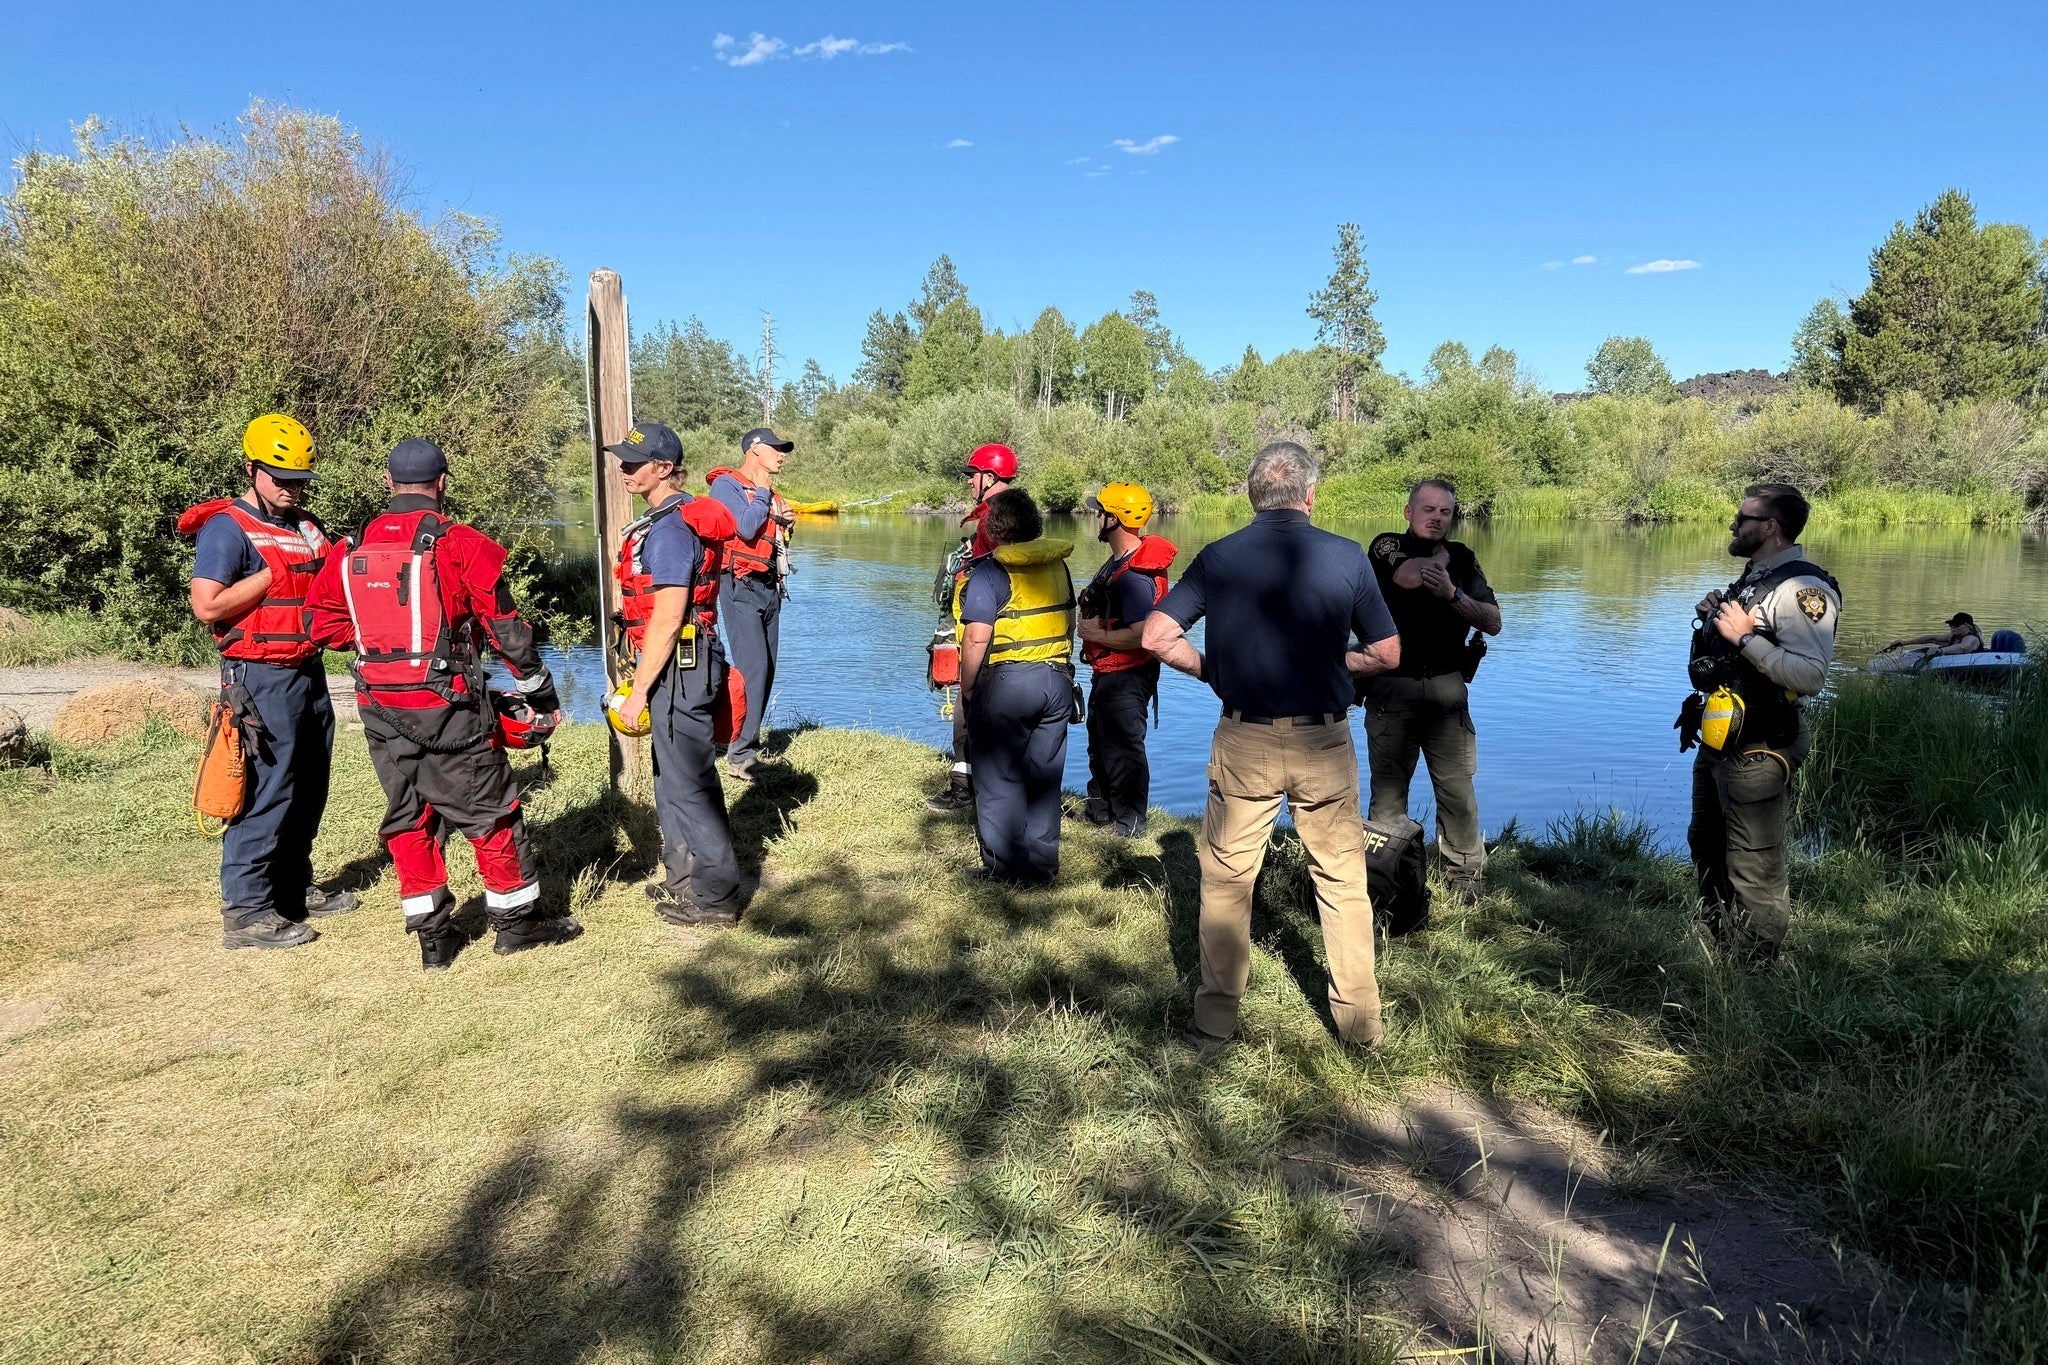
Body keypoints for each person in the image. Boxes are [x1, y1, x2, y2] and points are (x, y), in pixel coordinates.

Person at [1143, 442, 1402, 1052]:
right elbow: (1388, 653)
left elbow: (1156, 635)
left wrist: (1212, 669)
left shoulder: (1219, 557)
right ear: (1310, 495)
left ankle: (1214, 1025)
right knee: (1341, 881)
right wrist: (1329, 663)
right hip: (1324, 739)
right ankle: (1360, 1029)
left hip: (1245, 735)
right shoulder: (1346, 557)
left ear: (1252, 493)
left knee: (1228, 879)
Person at [307, 438, 576, 969]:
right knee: (490, 808)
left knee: (409, 814)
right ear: (442, 484)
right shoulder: (460, 542)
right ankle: (516, 924)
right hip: (447, 706)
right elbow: (504, 625)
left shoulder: (349, 546)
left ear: (388, 483)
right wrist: (536, 686)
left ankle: (433, 939)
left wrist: (384, 651)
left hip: (379, 707)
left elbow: (322, 624)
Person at [183, 413, 354, 951]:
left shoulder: (307, 528)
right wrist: (267, 578)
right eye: (280, 477)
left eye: (299, 479)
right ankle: (247, 911)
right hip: (257, 676)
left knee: (309, 782)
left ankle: (292, 887)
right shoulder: (227, 528)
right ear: (252, 468)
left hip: (307, 670)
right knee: (264, 787)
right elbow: (206, 605)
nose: (291, 488)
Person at [1680, 482, 1839, 963]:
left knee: (1754, 862)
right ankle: (1718, 943)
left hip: (1763, 744)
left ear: (1770, 527)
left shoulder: (1803, 589)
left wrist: (1745, 637)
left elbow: (1810, 675)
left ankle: (1760, 968)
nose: (1733, 525)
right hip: (1720, 737)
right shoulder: (1752, 580)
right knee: (1706, 845)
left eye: (1743, 518)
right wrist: (1713, 621)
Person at [607, 422, 746, 927]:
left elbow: (667, 617)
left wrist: (637, 692)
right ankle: (682, 878)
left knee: (690, 781)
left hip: (680, 665)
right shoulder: (666, 519)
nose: (623, 469)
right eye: (621, 460)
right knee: (672, 776)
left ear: (664, 469)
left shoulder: (668, 530)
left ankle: (716, 899)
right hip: (685, 660)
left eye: (633, 462)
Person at [1362, 479, 1503, 904]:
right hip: (1392, 687)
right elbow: (1407, 577)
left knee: (1458, 789)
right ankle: (1385, 878)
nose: (1437, 517)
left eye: (1445, 512)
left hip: (1447, 687)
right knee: (1388, 793)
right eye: (1428, 509)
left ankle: (1465, 880)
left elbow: (1493, 621)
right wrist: (1442, 560)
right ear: (1409, 512)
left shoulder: (1464, 558)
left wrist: (1454, 594)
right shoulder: (1386, 544)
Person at [956, 488, 1076, 885]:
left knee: (999, 777)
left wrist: (968, 686)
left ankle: (1006, 868)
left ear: (993, 527)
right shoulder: (1058, 567)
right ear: (1035, 525)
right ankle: (1042, 866)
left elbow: (976, 638)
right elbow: (1069, 620)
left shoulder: (989, 572)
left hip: (1007, 681)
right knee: (1044, 776)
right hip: (1056, 681)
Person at [1076, 482, 1176, 838]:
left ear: (1113, 518)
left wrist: (1096, 635)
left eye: (1100, 512)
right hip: (1109, 671)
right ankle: (1101, 811)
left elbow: (1141, 634)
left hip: (1129, 675)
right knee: (1101, 741)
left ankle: (1130, 826)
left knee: (1124, 748)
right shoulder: (1120, 562)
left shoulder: (1134, 577)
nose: (1095, 517)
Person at [928, 443, 1019, 814]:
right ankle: (996, 783)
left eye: (973, 476)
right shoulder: (1014, 514)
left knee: (970, 703)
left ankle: (964, 788)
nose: (969, 483)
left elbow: (994, 572)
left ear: (990, 477)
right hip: (1008, 627)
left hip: (985, 623)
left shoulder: (994, 520)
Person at [707, 427, 797, 780]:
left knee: (768, 666)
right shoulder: (727, 486)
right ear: (755, 449)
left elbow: (768, 537)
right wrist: (762, 494)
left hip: (769, 587)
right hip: (739, 585)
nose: (782, 454)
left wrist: (785, 522)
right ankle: (739, 753)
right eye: (776, 448)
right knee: (752, 667)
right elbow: (744, 528)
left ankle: (743, 742)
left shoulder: (770, 493)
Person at [1884, 612, 1983, 662]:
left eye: (1956, 625)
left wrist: (1940, 651)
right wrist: (1903, 642)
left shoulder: (1972, 638)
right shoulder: (1953, 636)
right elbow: (1931, 638)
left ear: (1968, 626)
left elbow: (1963, 647)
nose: (1953, 628)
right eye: (1951, 626)